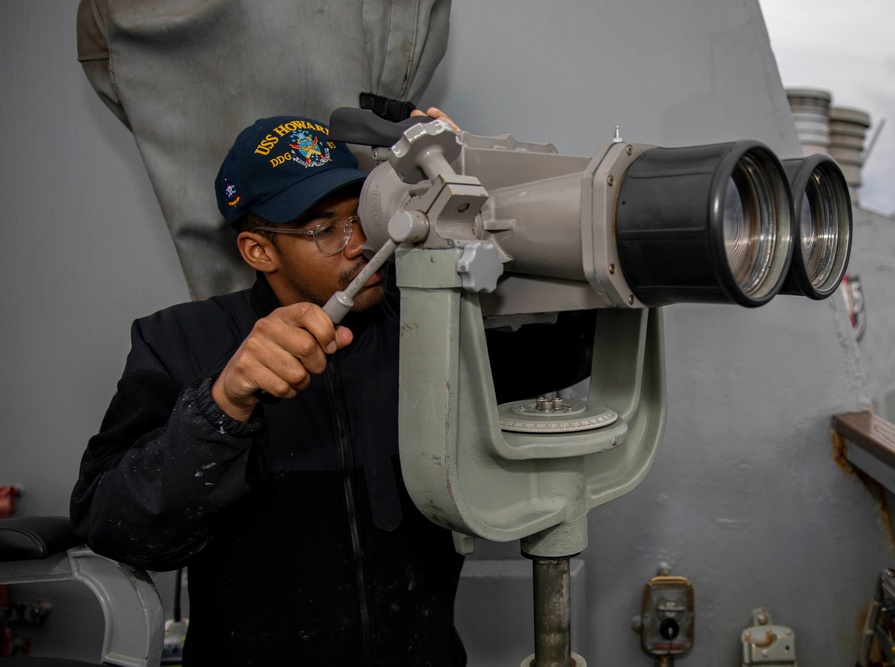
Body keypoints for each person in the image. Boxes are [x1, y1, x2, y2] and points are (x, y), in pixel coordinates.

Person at [71, 111, 593, 666]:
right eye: (325, 228)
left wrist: (489, 185)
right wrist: (222, 406)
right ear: (258, 251)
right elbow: (115, 526)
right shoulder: (177, 341)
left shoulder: (432, 322)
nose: (361, 244)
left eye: (363, 215)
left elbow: (567, 350)